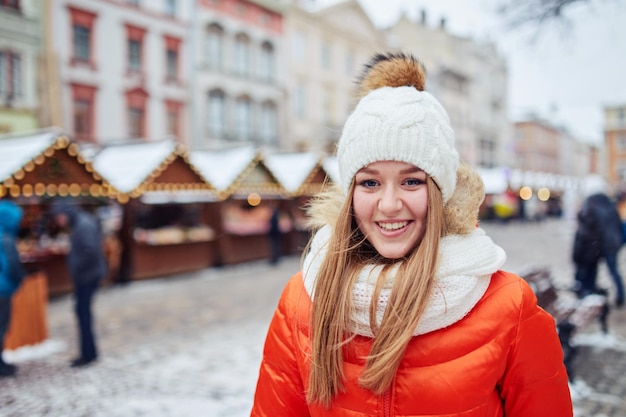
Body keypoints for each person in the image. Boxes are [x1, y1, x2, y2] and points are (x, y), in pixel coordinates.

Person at [250, 52, 572, 416]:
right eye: (370, 182)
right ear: (350, 194)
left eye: (411, 181)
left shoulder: (508, 306)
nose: (389, 204)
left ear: (439, 192)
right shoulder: (302, 298)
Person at [51, 200, 107, 367]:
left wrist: (76, 266)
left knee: (83, 313)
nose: (58, 221)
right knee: (82, 313)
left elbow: (90, 251)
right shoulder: (81, 223)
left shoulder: (83, 225)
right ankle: (89, 352)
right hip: (86, 275)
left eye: (59, 216)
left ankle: (88, 354)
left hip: (87, 276)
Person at [573, 179, 624, 307]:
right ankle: (620, 296)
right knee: (613, 271)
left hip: (599, 244)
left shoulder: (591, 204)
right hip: (612, 243)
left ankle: (589, 291)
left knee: (592, 268)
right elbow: (618, 224)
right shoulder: (609, 204)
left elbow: (590, 226)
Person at [0, 200, 26, 377]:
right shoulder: (6, 239)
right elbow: (13, 266)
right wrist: (20, 279)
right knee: (2, 326)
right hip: (3, 291)